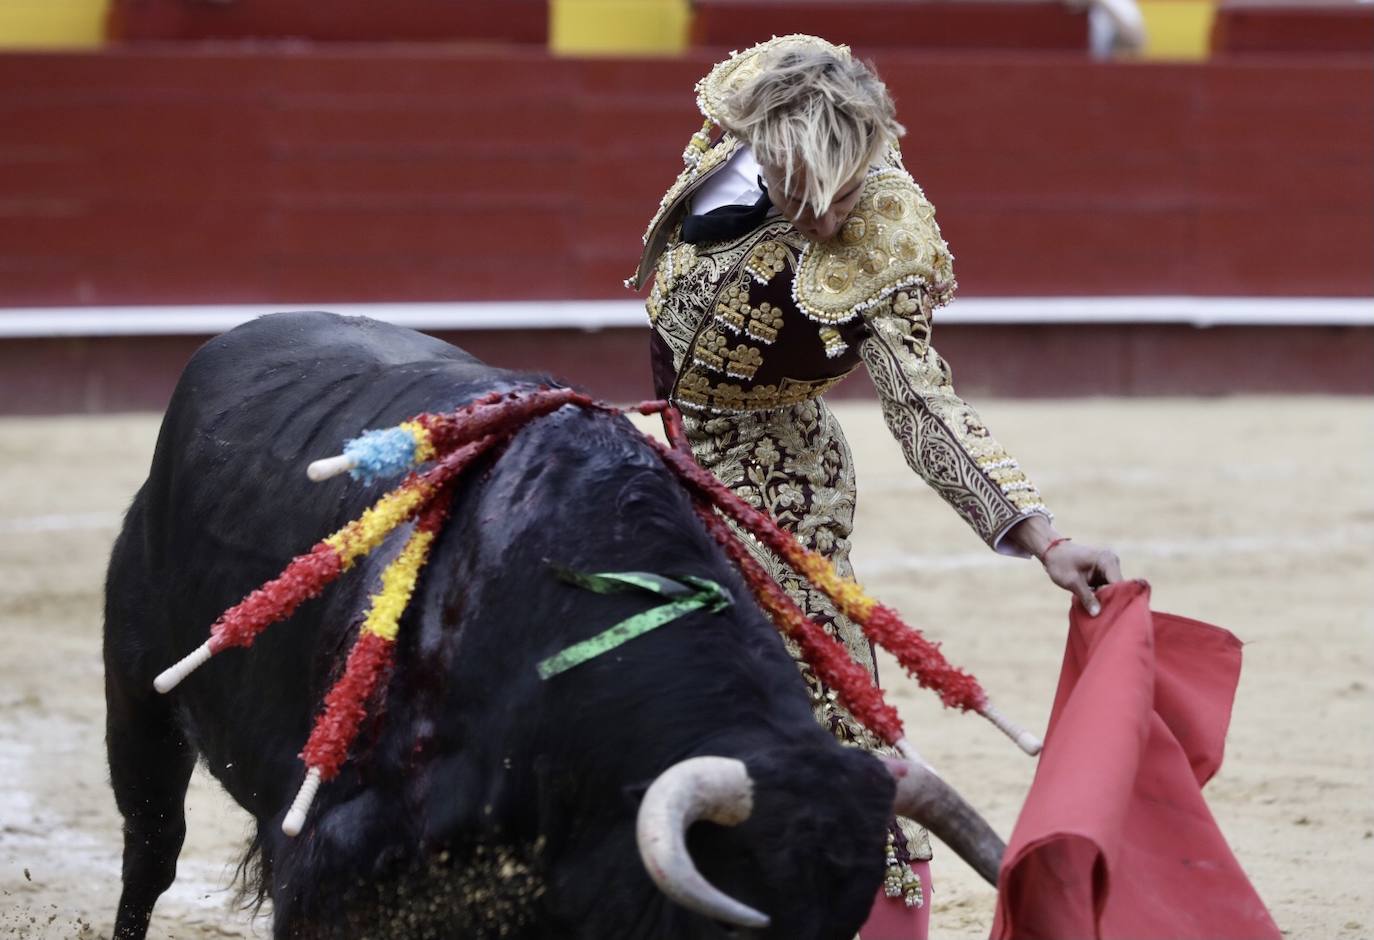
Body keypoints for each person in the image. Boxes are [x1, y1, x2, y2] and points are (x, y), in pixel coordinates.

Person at [627, 34, 1123, 938]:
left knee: (834, 704)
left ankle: (890, 920)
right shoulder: (739, 118)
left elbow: (924, 408)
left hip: (780, 479)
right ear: (760, 142)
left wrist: (1041, 534)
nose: (828, 214)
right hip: (670, 449)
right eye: (804, 190)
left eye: (843, 188)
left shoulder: (885, 230)